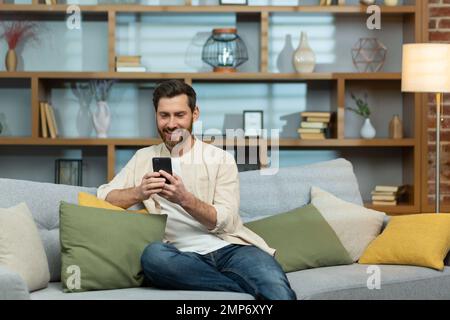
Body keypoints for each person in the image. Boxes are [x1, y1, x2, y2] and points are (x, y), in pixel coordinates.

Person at [97, 79, 296, 300]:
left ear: (195, 114)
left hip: (231, 249)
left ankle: (243, 290)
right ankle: (244, 291)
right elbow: (104, 196)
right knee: (153, 257)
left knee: (276, 289)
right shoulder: (144, 158)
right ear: (156, 115)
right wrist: (139, 192)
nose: (171, 123)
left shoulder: (220, 159)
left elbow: (226, 219)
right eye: (164, 115)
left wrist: (185, 199)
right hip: (179, 256)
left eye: (179, 115)